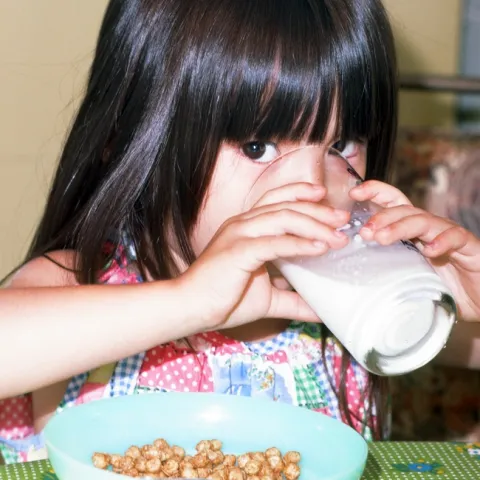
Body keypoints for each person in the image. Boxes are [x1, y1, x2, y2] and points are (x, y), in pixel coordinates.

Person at [1, 0, 479, 464]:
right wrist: (190, 302)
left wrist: (467, 300)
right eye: (258, 146)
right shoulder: (80, 282)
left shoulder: (349, 307)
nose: (312, 187)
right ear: (131, 137)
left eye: (343, 143)